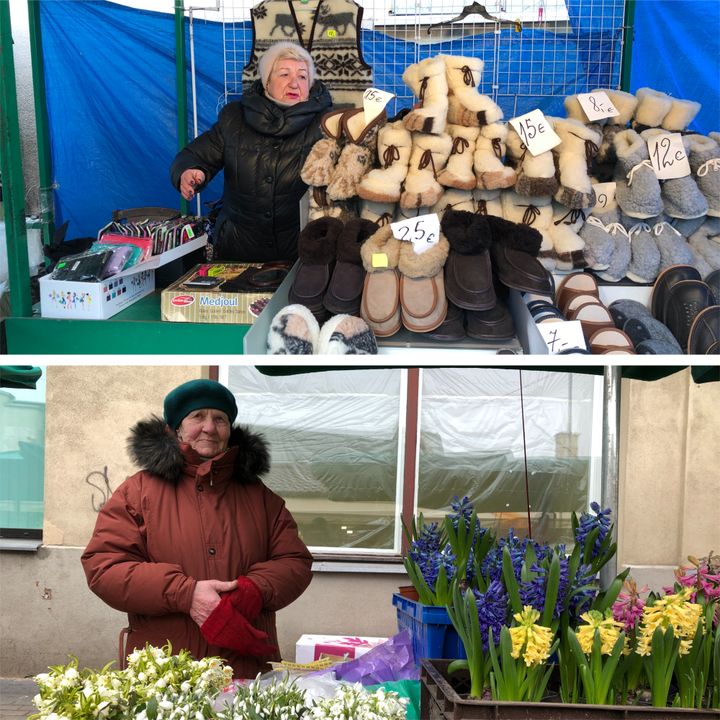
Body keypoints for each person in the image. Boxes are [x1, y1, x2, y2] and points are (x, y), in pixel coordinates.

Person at [80, 379, 313, 678]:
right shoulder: (137, 492)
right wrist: (185, 593)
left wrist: (253, 590)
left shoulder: (260, 497)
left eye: (220, 419)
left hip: (245, 671)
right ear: (177, 428)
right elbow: (104, 567)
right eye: (197, 416)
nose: (209, 427)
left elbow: (295, 561)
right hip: (166, 674)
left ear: (230, 430)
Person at [170, 42, 333, 262]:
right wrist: (189, 171)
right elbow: (196, 154)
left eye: (303, 77)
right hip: (237, 248)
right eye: (284, 74)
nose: (294, 83)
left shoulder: (328, 123)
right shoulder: (234, 118)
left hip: (302, 249)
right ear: (266, 81)